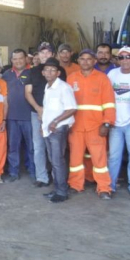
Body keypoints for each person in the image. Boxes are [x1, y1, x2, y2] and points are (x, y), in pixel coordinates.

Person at [66, 49, 115, 199]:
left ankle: (104, 188)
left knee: (99, 159)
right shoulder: (71, 78)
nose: (85, 62)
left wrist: (107, 123)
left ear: (94, 61)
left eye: (89, 59)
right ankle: (75, 185)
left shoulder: (102, 79)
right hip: (75, 127)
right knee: (75, 159)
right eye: (82, 59)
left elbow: (109, 104)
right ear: (78, 61)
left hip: (96, 126)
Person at [25, 42, 66, 187]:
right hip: (36, 114)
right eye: (42, 53)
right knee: (39, 146)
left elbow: (62, 94)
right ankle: (41, 177)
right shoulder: (33, 71)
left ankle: (57, 178)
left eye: (48, 52)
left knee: (55, 147)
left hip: (56, 116)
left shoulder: (60, 71)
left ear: (53, 55)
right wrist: (38, 109)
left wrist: (50, 113)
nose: (44, 55)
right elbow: (28, 93)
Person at [106, 46, 130, 199]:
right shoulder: (112, 74)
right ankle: (110, 184)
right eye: (121, 57)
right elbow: (106, 97)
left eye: (128, 57)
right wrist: (109, 118)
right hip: (115, 122)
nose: (124, 60)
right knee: (114, 156)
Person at [40, 58, 77, 204]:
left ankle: (62, 192)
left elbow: (72, 108)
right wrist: (44, 125)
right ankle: (57, 189)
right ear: (43, 72)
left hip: (58, 129)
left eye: (52, 70)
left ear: (58, 72)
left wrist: (56, 121)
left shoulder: (63, 87)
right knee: (53, 160)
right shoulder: (47, 87)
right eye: (46, 70)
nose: (49, 72)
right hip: (49, 129)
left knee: (57, 161)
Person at [2, 49, 33, 182]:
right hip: (11, 116)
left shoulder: (33, 72)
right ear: (11, 60)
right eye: (15, 59)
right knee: (13, 146)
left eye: (21, 58)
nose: (18, 61)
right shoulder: (6, 75)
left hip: (30, 116)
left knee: (32, 146)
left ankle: (33, 171)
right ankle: (13, 172)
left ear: (26, 58)